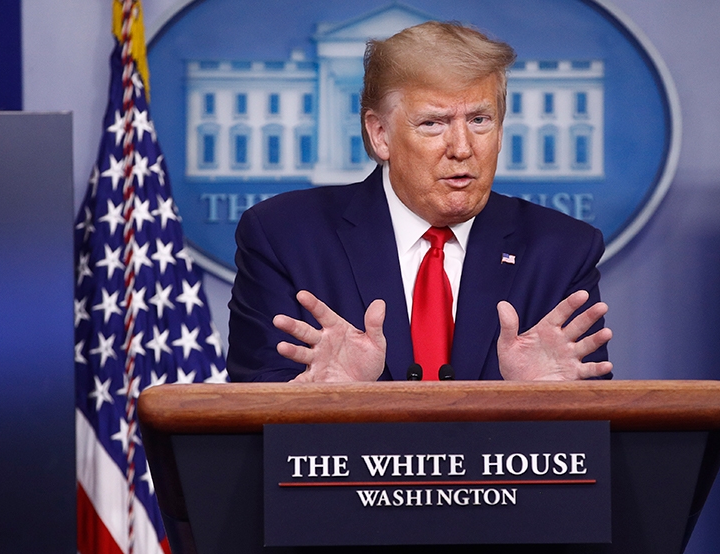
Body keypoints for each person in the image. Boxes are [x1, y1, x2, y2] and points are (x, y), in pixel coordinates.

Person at [227, 21, 612, 383]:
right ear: (380, 135)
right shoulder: (285, 238)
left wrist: (545, 402)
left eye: (480, 120)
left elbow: (592, 434)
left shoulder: (561, 251)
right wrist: (334, 398)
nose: (462, 148)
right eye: (433, 123)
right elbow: (252, 418)